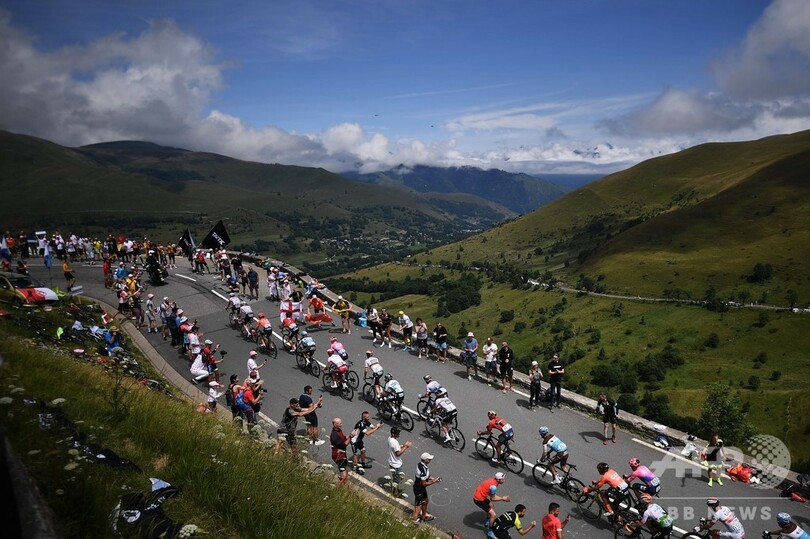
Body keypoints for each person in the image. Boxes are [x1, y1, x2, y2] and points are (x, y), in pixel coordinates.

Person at [412, 453, 440, 524]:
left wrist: (431, 478)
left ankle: (423, 516)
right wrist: (434, 481)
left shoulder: (422, 465)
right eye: (429, 459)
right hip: (419, 489)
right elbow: (424, 483)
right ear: (425, 460)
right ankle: (413, 522)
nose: (430, 460)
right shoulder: (423, 470)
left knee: (425, 501)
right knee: (418, 508)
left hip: (421, 488)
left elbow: (427, 475)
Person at [330, 418, 350, 485]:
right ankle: (338, 487)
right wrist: (351, 437)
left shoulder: (338, 430)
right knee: (344, 474)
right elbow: (343, 446)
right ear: (335, 424)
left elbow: (342, 438)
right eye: (340, 423)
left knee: (346, 470)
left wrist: (349, 436)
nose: (341, 425)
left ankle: (344, 484)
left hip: (342, 455)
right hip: (338, 456)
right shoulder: (334, 435)